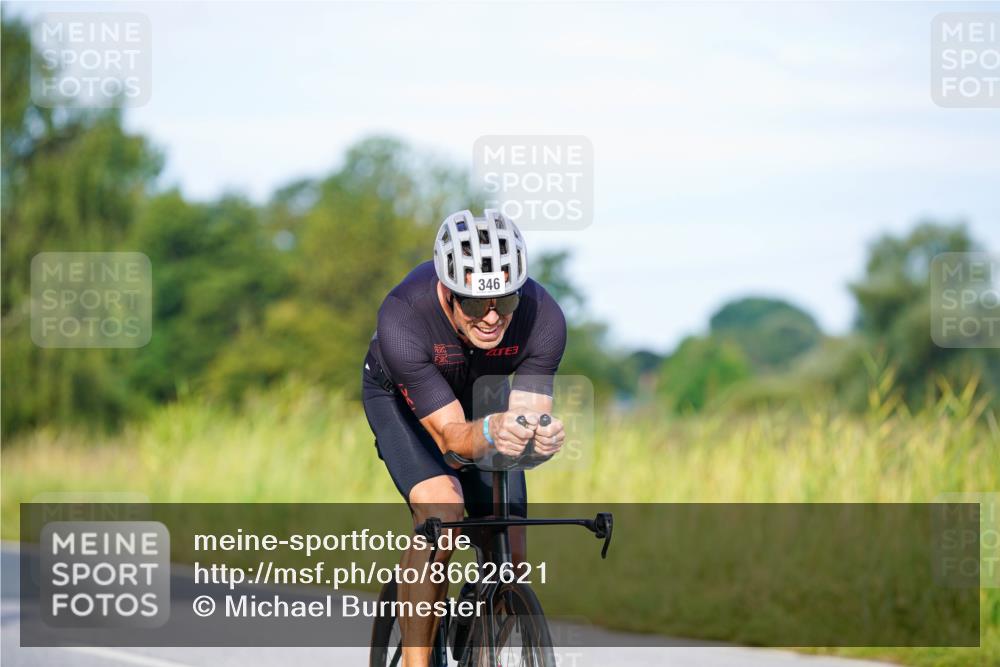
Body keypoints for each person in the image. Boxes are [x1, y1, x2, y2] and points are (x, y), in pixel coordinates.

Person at [362, 208, 568, 666]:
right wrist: (494, 430)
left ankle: (482, 643)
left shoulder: (544, 316)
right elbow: (453, 439)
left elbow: (527, 419)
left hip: (482, 395)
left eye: (505, 302)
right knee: (443, 510)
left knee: (512, 558)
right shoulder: (404, 315)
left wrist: (539, 441)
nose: (493, 318)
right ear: (446, 292)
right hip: (404, 401)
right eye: (475, 304)